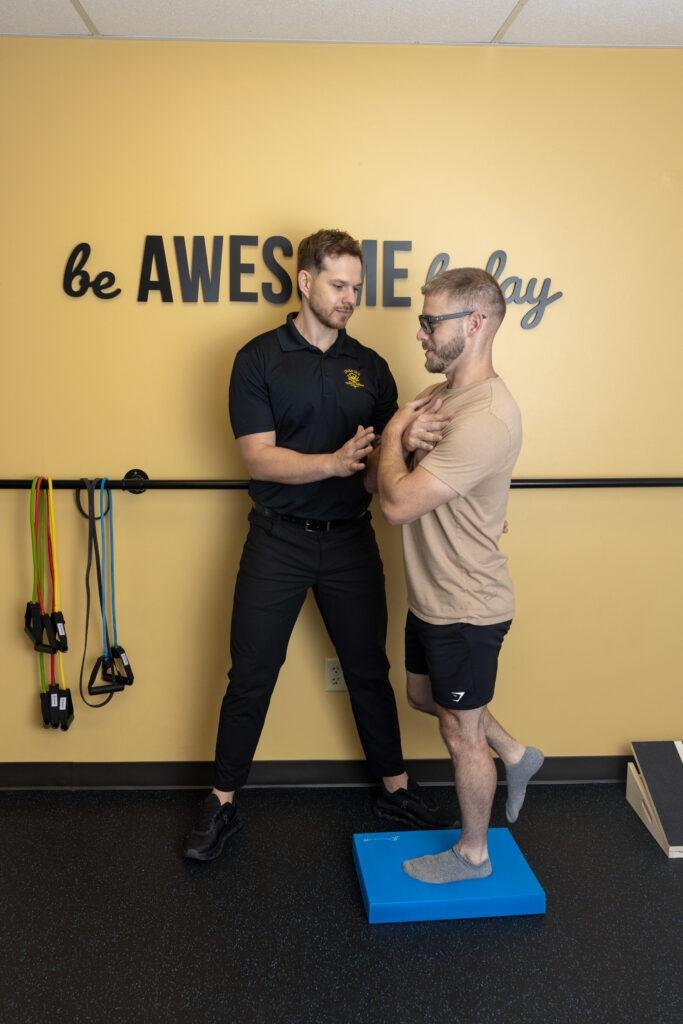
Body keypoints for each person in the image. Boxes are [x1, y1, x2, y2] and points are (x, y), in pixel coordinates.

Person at [183, 229, 452, 861]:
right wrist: (334, 462)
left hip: (350, 541)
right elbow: (259, 458)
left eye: (356, 287)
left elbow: (378, 472)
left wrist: (407, 444)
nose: (349, 297)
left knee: (368, 671)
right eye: (338, 285)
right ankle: (221, 802)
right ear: (305, 282)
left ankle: (396, 789)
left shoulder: (372, 368)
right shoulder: (258, 359)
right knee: (250, 675)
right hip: (277, 540)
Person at [375, 267, 544, 884]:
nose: (420, 332)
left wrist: (394, 433)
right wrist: (400, 437)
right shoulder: (440, 395)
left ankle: (475, 854)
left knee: (461, 732)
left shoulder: (488, 417)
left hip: (468, 604)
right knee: (424, 697)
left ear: (474, 323)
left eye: (430, 321)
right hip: (432, 597)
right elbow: (385, 482)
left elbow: (396, 504)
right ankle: (516, 753)